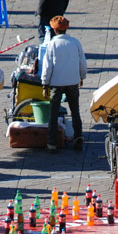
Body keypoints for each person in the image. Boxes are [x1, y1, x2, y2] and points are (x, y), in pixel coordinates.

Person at [41, 16, 86, 152]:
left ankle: (52, 144)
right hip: (73, 82)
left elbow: (47, 66)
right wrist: (81, 77)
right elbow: (82, 62)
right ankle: (78, 138)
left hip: (56, 83)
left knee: (53, 114)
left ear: (54, 31)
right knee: (75, 112)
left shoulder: (52, 44)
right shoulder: (75, 42)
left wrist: (44, 83)